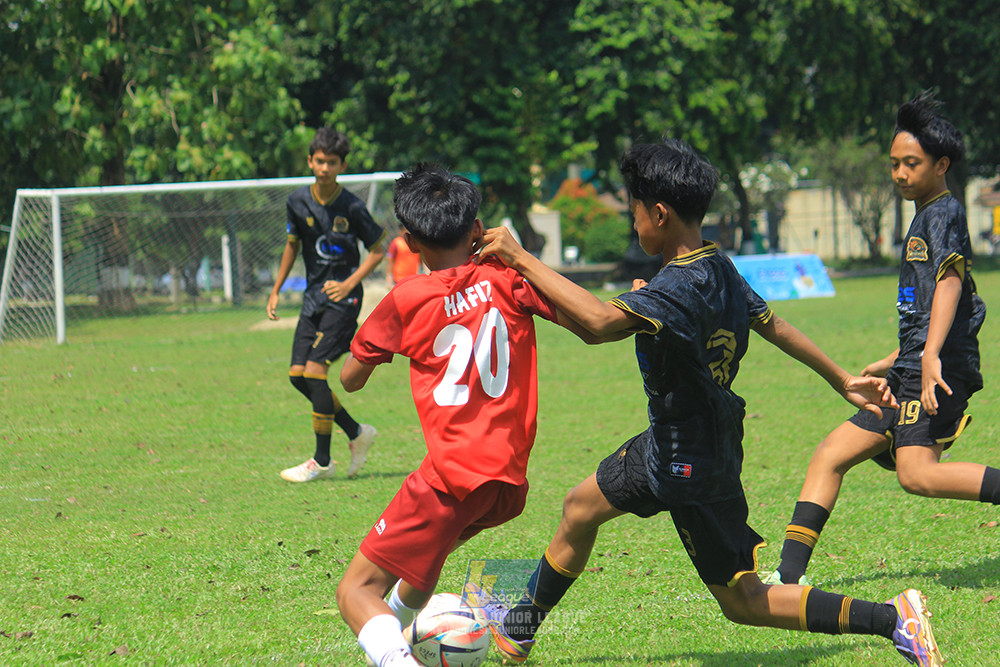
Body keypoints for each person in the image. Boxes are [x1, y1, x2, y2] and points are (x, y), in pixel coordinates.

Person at [473, 138, 943, 666]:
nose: (634, 226)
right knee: (580, 508)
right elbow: (774, 324)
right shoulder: (717, 266)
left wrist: (518, 257)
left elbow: (599, 325)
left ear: (659, 212)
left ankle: (892, 618)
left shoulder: (674, 286)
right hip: (677, 442)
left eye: (634, 214)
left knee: (744, 601)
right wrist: (840, 379)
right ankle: (520, 628)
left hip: (688, 464)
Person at [334, 164, 592, 667]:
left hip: (449, 478)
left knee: (353, 590)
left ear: (408, 242)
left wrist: (385, 335)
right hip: (507, 483)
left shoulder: (406, 300)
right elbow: (585, 314)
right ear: (477, 228)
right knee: (423, 561)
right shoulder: (509, 279)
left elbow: (349, 378)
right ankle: (401, 632)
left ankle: (394, 656)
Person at [767, 93, 995, 590]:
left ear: (942, 165)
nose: (899, 173)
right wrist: (896, 358)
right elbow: (931, 303)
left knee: (918, 475)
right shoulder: (924, 213)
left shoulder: (943, 214)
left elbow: (952, 285)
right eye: (893, 163)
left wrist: (929, 356)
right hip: (910, 367)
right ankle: (786, 580)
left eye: (911, 164)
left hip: (934, 370)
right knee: (831, 453)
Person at [266, 127, 386, 483]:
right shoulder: (297, 201)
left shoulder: (352, 206)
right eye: (319, 161)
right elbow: (292, 246)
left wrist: (349, 282)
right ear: (310, 161)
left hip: (345, 301)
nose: (324, 168)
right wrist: (276, 289)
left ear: (342, 165)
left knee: (315, 372)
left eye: (332, 162)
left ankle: (321, 461)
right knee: (297, 376)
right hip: (313, 298)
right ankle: (357, 432)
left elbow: (378, 251)